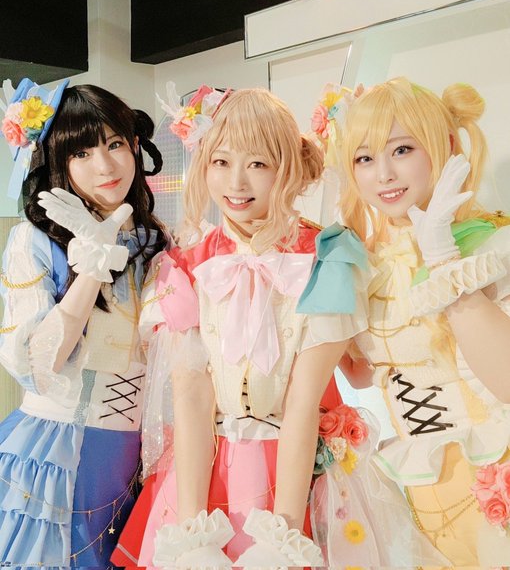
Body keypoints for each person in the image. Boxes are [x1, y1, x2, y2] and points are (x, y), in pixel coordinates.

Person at [112, 84, 445, 569]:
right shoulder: (185, 264)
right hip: (206, 470)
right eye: (221, 161)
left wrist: (283, 537)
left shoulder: (328, 256)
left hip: (301, 473)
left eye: (258, 163)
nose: (236, 182)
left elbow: (302, 402)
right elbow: (192, 396)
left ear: (287, 167)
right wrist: (192, 533)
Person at [319, 76, 510, 566]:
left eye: (401, 150)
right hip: (422, 492)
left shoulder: (490, 245)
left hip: (497, 468)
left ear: (444, 145)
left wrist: (443, 257)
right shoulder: (368, 265)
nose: (383, 174)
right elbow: (369, 371)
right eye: (364, 158)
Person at [0, 80, 171, 567]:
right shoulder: (35, 240)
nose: (105, 166)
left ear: (134, 145)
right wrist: (92, 265)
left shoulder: (157, 241)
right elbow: (35, 365)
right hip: (56, 449)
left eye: (114, 144)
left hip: (136, 454)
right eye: (82, 153)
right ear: (59, 162)